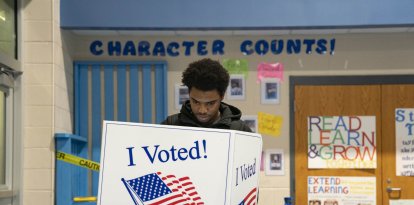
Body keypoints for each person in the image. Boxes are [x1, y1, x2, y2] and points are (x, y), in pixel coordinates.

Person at [161, 58, 252, 132]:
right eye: (195, 102)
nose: (202, 110)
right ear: (189, 94)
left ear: (222, 96)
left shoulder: (239, 130)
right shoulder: (170, 126)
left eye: (210, 103)